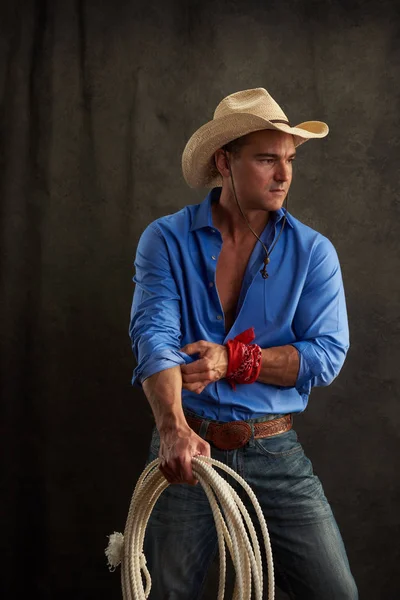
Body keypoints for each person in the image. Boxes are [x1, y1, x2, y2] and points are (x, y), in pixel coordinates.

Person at [129, 88, 358, 599]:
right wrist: (172, 429)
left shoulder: (313, 252)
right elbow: (154, 335)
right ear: (224, 161)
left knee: (336, 593)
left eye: (289, 160)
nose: (284, 175)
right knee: (165, 592)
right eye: (266, 159)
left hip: (273, 449)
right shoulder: (165, 240)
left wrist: (231, 359)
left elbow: (327, 354)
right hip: (189, 444)